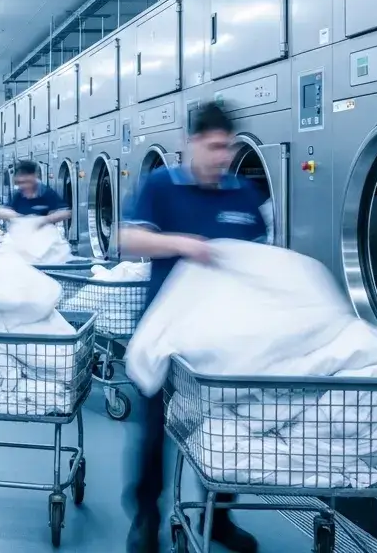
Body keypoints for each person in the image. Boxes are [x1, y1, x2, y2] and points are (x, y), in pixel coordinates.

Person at [118, 102, 266, 553]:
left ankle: (219, 517)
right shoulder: (162, 185)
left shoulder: (243, 194)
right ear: (192, 142)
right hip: (168, 330)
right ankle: (146, 515)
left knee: (227, 429)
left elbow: (262, 258)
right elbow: (127, 240)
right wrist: (180, 244)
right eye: (214, 146)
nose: (222, 156)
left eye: (228, 147)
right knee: (153, 432)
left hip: (223, 335)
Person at [0, 159, 73, 227]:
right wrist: (19, 217)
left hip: (43, 239)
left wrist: (43, 220)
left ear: (34, 177)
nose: (23, 186)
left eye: (26, 182)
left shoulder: (46, 193)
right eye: (19, 183)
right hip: (21, 238)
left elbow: (66, 212)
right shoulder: (18, 194)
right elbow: (0, 212)